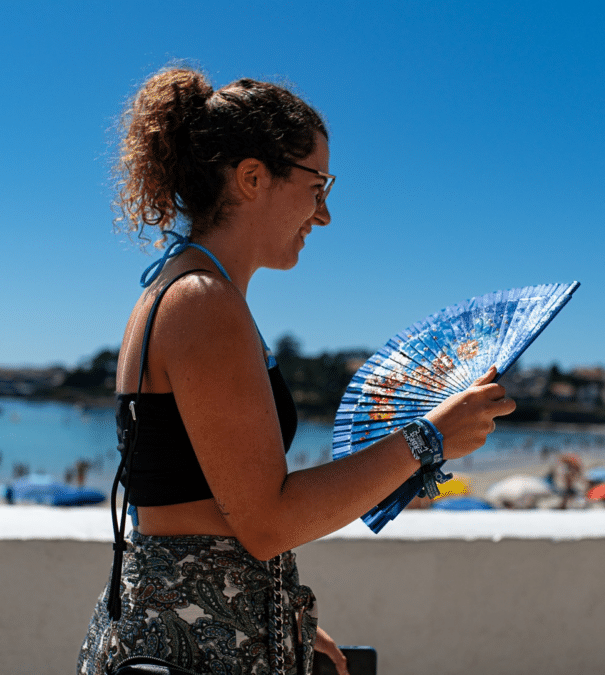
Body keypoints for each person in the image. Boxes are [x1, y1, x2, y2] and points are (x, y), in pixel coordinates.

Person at [77, 66, 514, 675]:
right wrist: (428, 439)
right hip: (196, 650)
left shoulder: (186, 291)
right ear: (253, 177)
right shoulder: (203, 302)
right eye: (318, 184)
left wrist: (290, 618)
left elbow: (213, 509)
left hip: (184, 631)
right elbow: (268, 521)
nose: (325, 213)